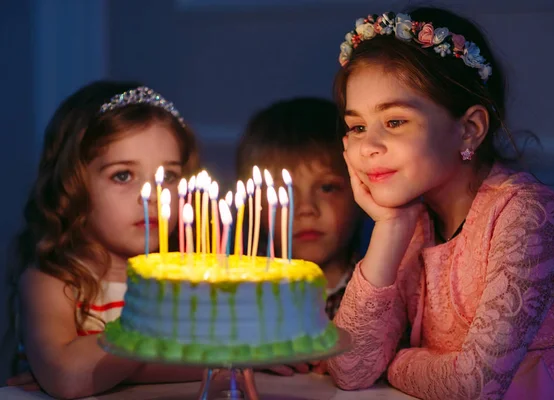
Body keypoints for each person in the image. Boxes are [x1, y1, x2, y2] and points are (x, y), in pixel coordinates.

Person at [328, 7, 554, 399]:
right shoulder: (414, 219)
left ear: (469, 129)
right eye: (358, 127)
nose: (369, 147)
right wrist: (389, 230)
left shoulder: (527, 214)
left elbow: (474, 385)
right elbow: (349, 369)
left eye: (396, 121)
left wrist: (395, 361)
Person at [8, 81, 203, 398]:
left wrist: (115, 370)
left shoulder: (194, 278)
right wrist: (210, 363)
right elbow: (69, 375)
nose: (151, 196)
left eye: (168, 176)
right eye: (123, 175)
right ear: (73, 186)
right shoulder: (56, 282)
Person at [236, 97, 363, 375]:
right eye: (284, 192)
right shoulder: (242, 296)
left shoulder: (382, 289)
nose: (305, 209)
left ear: (361, 191)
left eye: (327, 187)